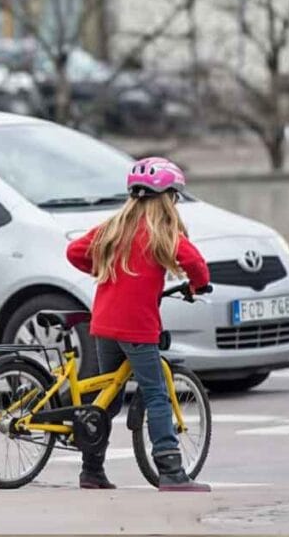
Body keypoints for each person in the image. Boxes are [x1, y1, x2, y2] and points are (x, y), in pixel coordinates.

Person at [66, 157, 211, 492]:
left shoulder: (113, 228)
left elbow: (75, 251)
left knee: (108, 396)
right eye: (173, 196)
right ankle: (171, 471)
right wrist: (198, 284)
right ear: (167, 198)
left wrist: (104, 271)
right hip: (137, 327)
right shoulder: (162, 232)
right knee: (156, 393)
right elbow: (196, 264)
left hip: (104, 323)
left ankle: (92, 471)